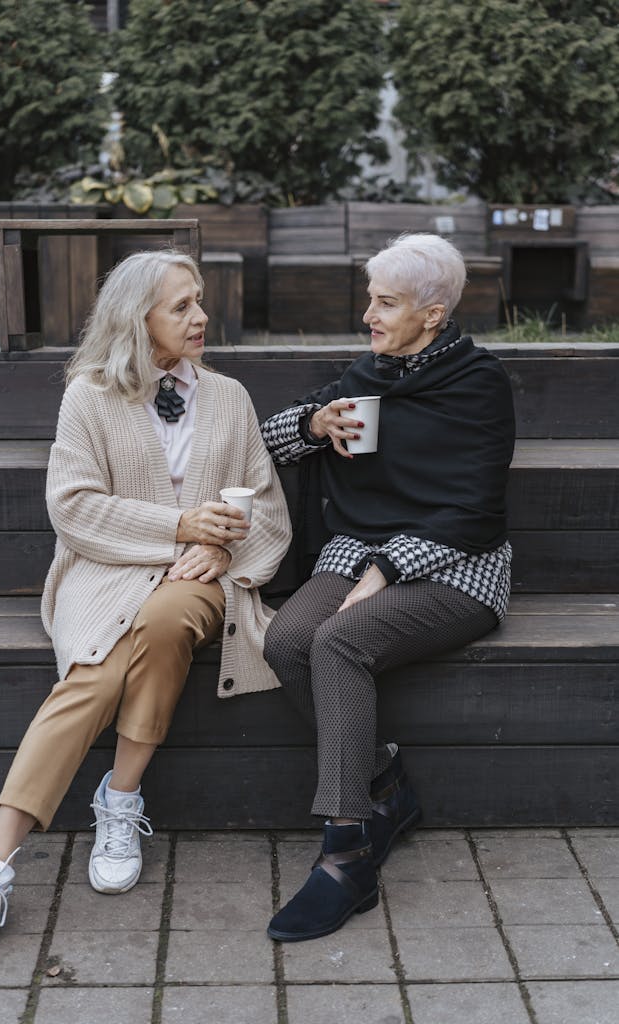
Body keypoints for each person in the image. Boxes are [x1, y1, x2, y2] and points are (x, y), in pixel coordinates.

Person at [0, 250, 291, 961]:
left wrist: (220, 552)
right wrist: (176, 526)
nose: (200, 318)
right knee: (95, 673)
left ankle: (118, 799)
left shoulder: (230, 397)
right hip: (103, 575)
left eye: (198, 302)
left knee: (167, 618)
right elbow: (72, 508)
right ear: (138, 320)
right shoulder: (90, 396)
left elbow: (269, 512)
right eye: (181, 307)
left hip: (201, 581)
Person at [260, 233, 515, 942]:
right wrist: (313, 424)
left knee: (338, 641)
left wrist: (387, 569)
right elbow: (268, 439)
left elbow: (476, 512)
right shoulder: (366, 374)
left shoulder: (478, 383)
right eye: (369, 297)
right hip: (356, 549)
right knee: (284, 640)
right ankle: (385, 787)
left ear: (431, 314)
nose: (367, 313)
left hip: (456, 565)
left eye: (385, 302)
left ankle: (347, 854)